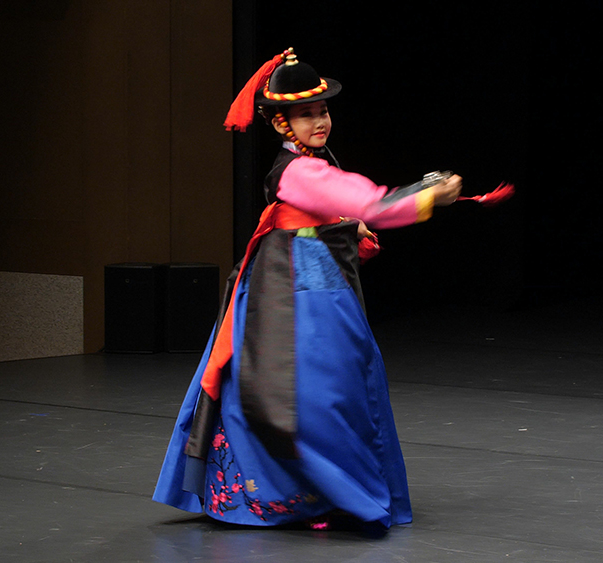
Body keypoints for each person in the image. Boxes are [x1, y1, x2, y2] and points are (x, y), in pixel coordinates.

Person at [153, 48, 510, 530]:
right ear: (281, 123)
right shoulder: (300, 170)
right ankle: (308, 493)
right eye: (306, 115)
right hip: (291, 291)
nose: (320, 121)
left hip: (305, 279)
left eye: (322, 111)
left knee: (319, 384)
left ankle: (313, 491)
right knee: (311, 389)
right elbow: (372, 204)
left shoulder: (310, 162)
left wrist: (345, 223)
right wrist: (431, 196)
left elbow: (338, 208)